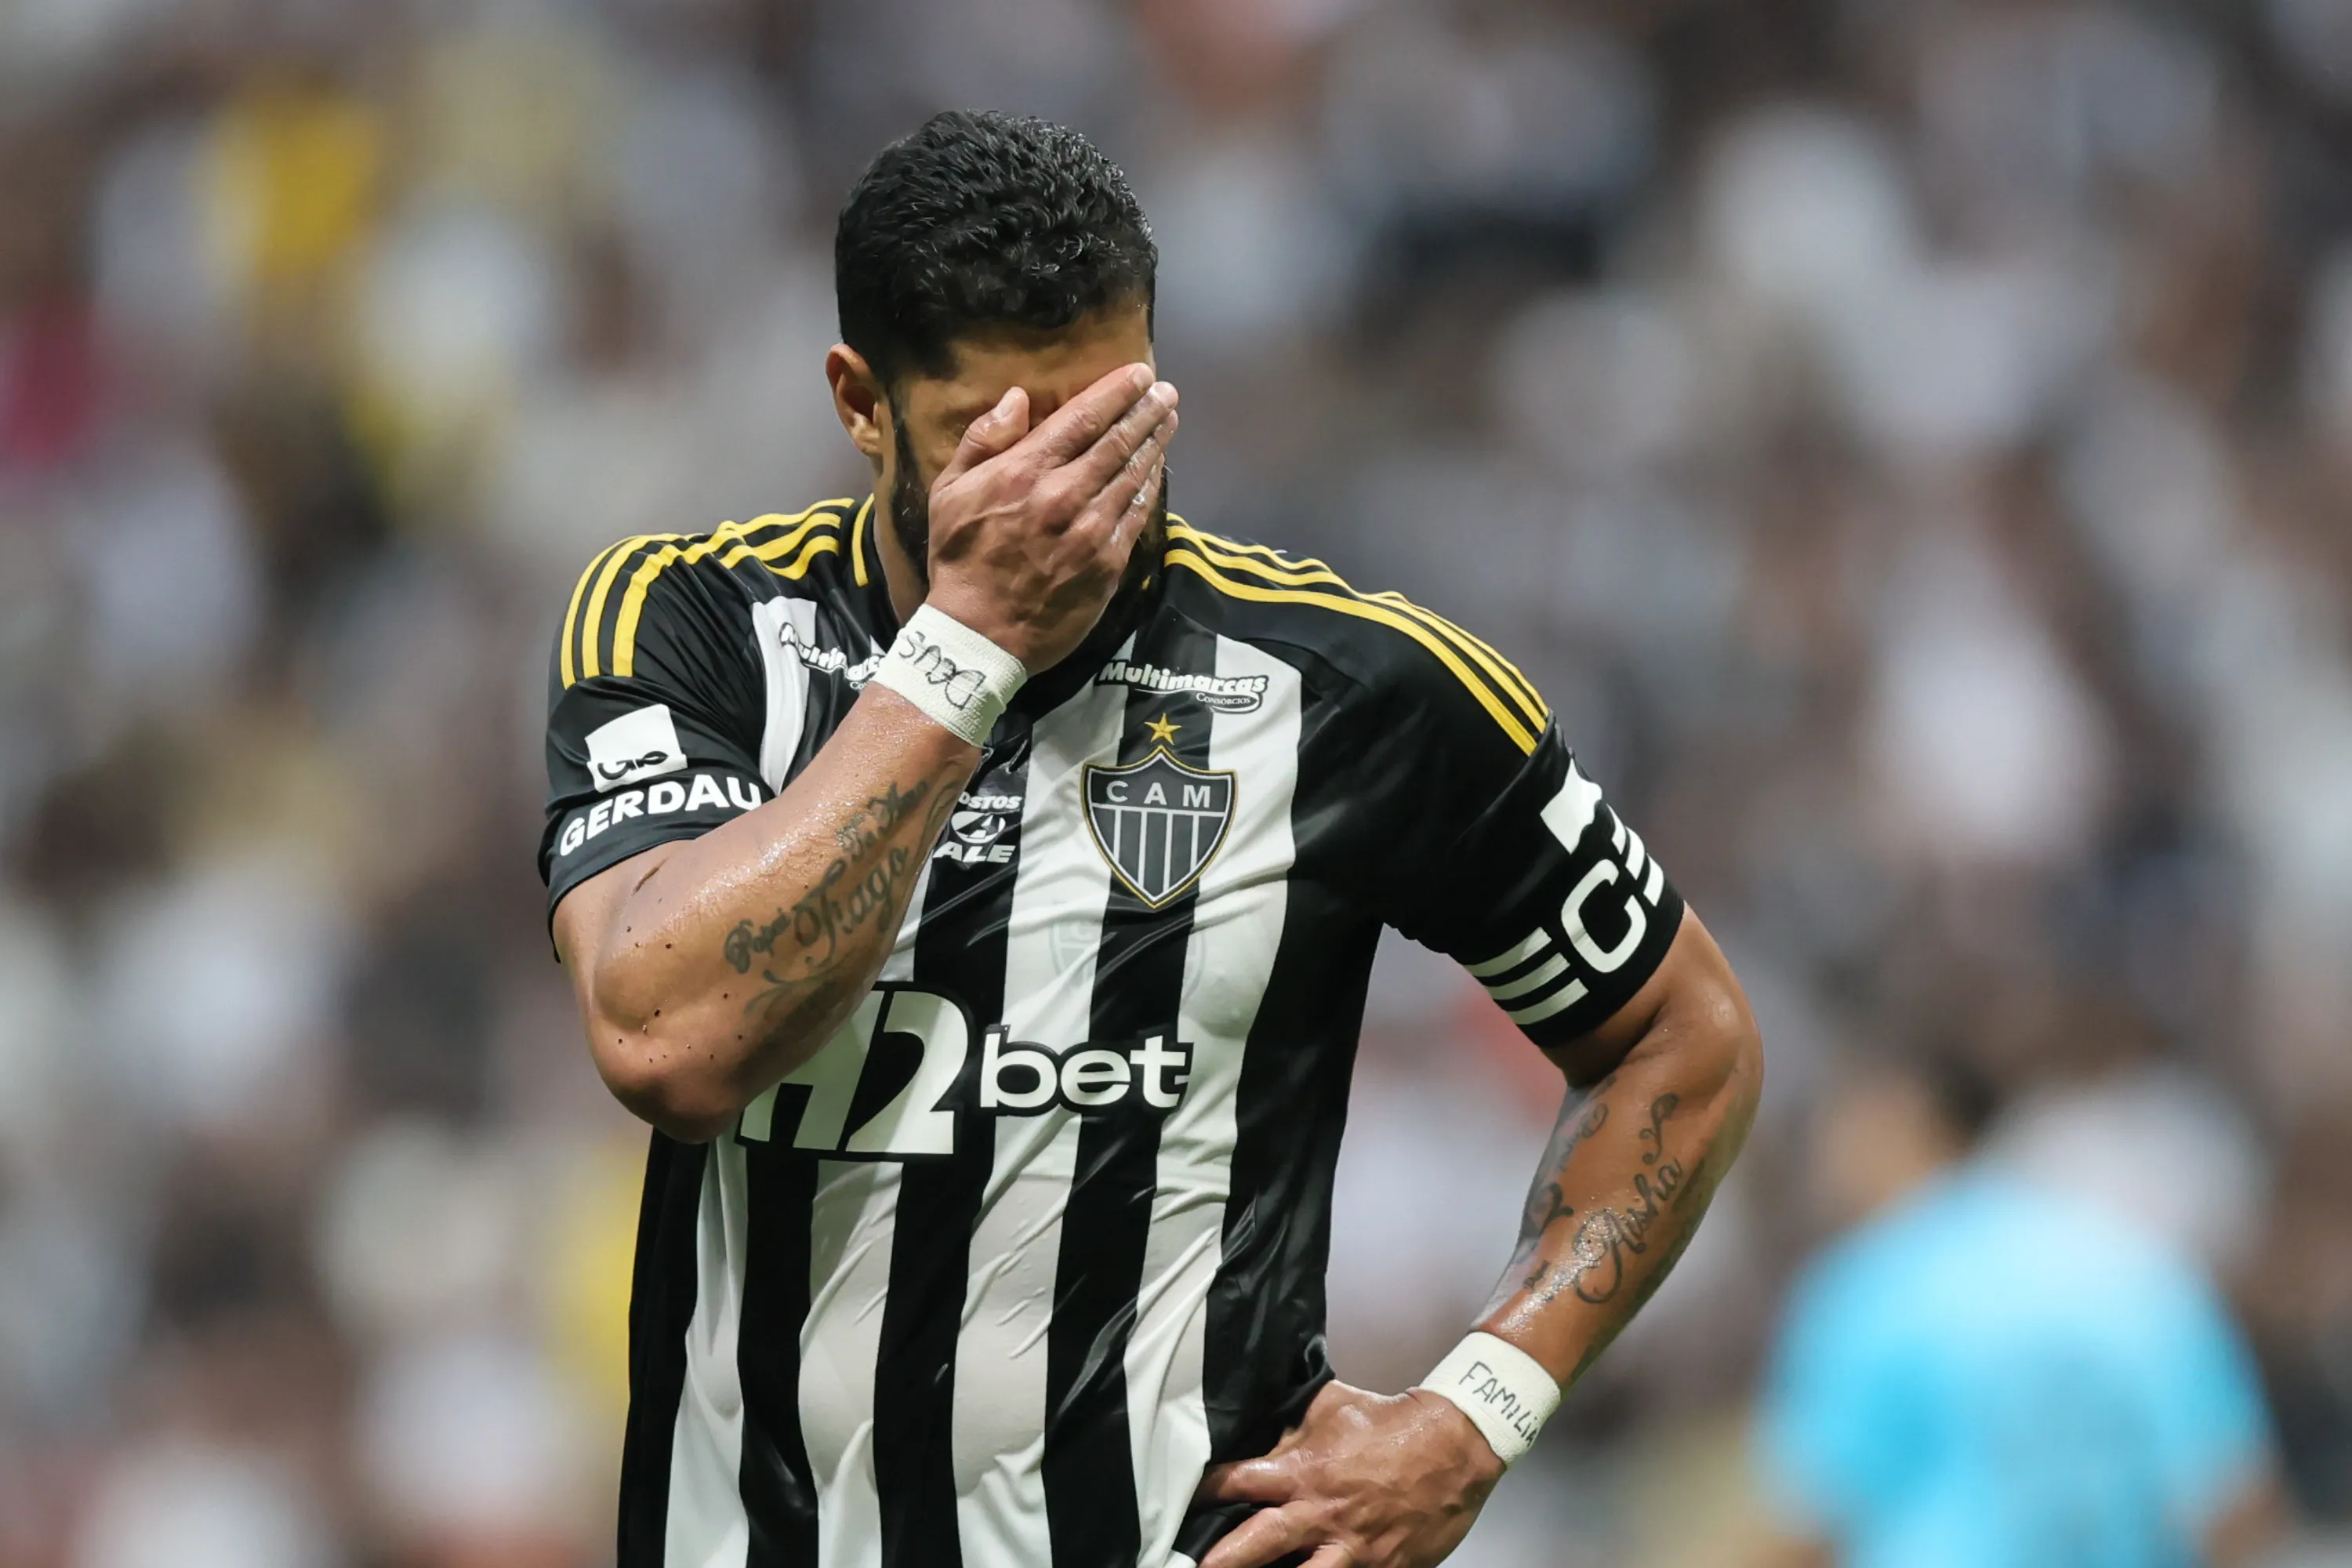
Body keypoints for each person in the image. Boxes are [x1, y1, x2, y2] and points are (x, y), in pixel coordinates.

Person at [539, 111, 1763, 1568]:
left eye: (1107, 422)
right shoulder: (701, 631)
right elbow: (669, 1040)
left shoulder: (1352, 692)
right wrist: (967, 647)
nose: (1069, 491)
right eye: (994, 436)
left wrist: (1474, 1411)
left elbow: (1685, 1039)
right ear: (862, 404)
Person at [1755, 1052, 2279, 1568]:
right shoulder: (2129, 1260)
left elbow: (1807, 1524)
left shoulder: (1866, 1292)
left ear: (1906, 1115)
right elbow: (2237, 1501)